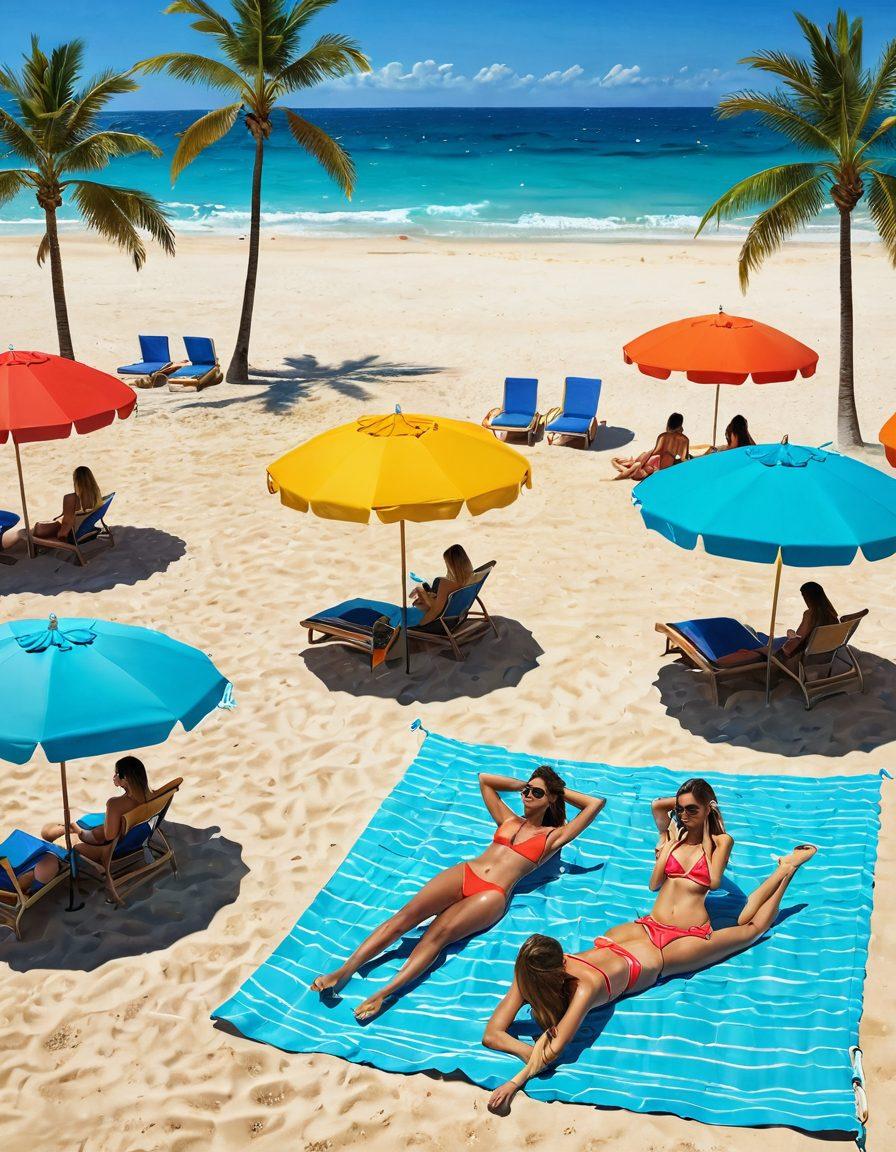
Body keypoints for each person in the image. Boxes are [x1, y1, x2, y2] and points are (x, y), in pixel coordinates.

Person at [482, 779, 816, 1116]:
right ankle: (784, 869)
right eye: (681, 809)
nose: (682, 815)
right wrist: (522, 1070)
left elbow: (714, 882)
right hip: (651, 944)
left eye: (691, 810)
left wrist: (702, 812)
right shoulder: (565, 983)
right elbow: (525, 1044)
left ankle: (785, 870)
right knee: (748, 928)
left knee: (749, 929)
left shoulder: (717, 841)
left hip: (682, 932)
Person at [310, 768, 606, 1020]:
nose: (528, 795)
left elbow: (595, 804)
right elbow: (484, 780)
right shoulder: (508, 820)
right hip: (467, 872)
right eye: (527, 790)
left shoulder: (553, 837)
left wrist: (554, 789)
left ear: (551, 798)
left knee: (435, 936)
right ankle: (344, 972)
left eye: (536, 793)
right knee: (403, 918)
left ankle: (383, 994)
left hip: (492, 894)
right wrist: (527, 784)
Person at [42, 756, 152, 864]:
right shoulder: (152, 796)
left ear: (126, 779)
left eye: (116, 774)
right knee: (55, 831)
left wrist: (79, 832)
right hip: (131, 840)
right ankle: (68, 828)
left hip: (106, 850)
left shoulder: (115, 804)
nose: (114, 777)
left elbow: (107, 837)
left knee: (48, 833)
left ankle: (68, 829)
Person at [716, 581, 838, 667]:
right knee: (761, 641)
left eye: (804, 596)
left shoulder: (810, 614)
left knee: (754, 649)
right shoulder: (832, 616)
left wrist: (781, 648)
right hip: (816, 657)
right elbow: (805, 637)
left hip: (794, 659)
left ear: (809, 597)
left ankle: (717, 663)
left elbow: (793, 645)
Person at [1, 465, 102, 551]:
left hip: (68, 534)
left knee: (22, 532)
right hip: (82, 531)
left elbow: (67, 523)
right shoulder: (96, 496)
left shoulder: (71, 498)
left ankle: (1, 543)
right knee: (28, 527)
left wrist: (59, 537)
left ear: (76, 480)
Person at [411, 544, 475, 628]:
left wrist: (418, 626)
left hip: (442, 624)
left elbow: (435, 611)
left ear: (451, 564)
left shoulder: (445, 583)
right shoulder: (471, 579)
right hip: (456, 618)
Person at [611, 414, 690, 480]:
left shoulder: (663, 436)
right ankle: (624, 466)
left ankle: (622, 465)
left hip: (652, 460)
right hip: (660, 466)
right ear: (680, 426)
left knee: (637, 466)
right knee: (637, 471)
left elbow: (655, 451)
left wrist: (642, 463)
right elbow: (683, 459)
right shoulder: (684, 440)